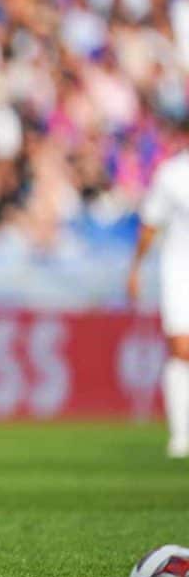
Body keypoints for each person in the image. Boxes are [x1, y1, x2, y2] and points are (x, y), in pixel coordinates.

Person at [128, 146, 189, 459]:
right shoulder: (173, 174)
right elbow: (151, 223)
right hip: (181, 270)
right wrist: (136, 267)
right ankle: (181, 435)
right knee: (182, 349)